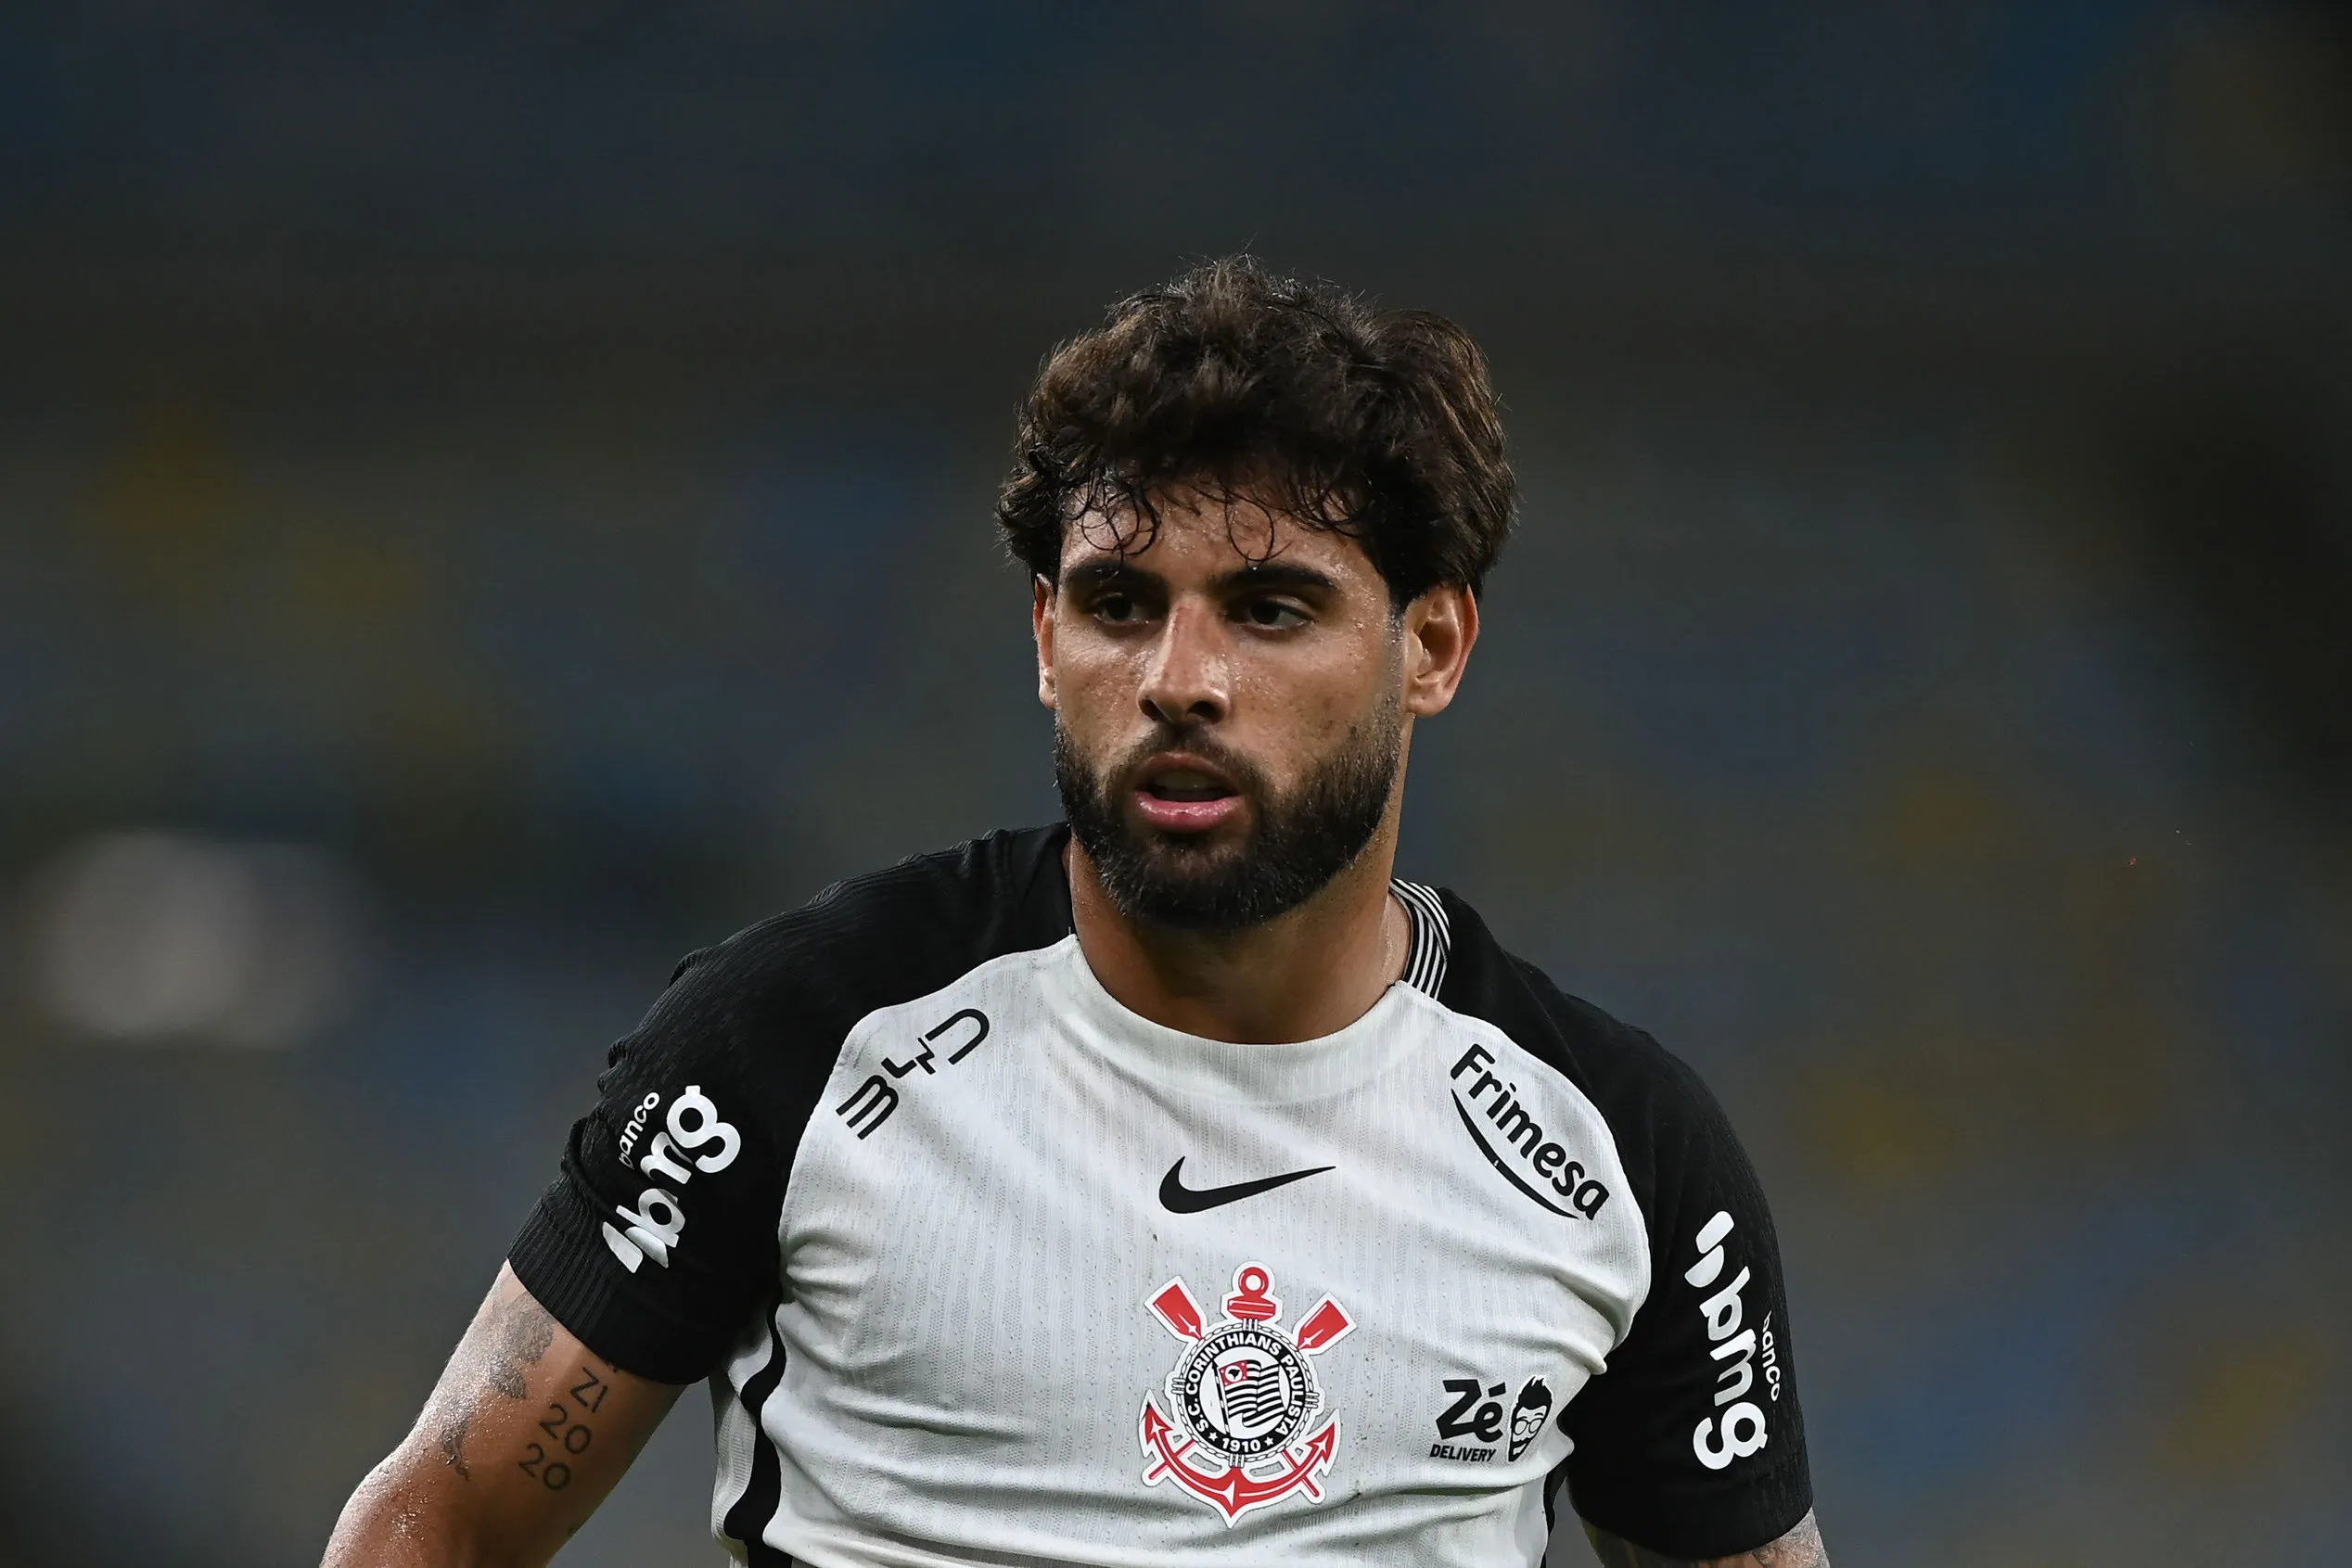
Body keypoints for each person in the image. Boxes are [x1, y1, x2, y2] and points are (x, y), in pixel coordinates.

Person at [323, 257, 1826, 1568]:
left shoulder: (1619, 1153)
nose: (1179, 675)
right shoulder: (791, 1043)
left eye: (1271, 606)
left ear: (1430, 645)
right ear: (1047, 637)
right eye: (1119, 602)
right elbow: (436, 1518)